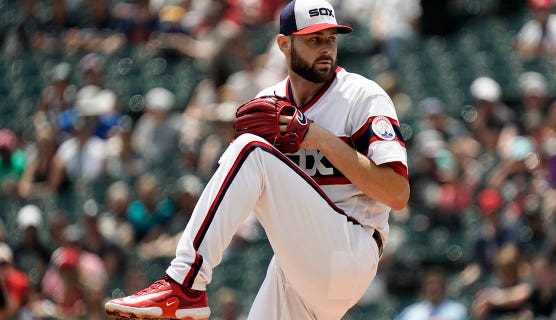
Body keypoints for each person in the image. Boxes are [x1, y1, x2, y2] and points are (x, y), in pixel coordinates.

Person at [105, 0, 409, 319]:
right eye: (314, 39)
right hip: (297, 267)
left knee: (251, 149)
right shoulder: (269, 104)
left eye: (331, 38)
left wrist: (319, 138)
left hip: (351, 251)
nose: (325, 48)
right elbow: (239, 186)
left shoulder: (362, 96)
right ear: (284, 44)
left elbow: (397, 194)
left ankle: (183, 284)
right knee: (249, 150)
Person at [394, 266, 467, 320]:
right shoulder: (411, 312)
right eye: (429, 284)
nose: (433, 288)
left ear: (443, 287)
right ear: (423, 288)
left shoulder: (457, 310)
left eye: (437, 283)